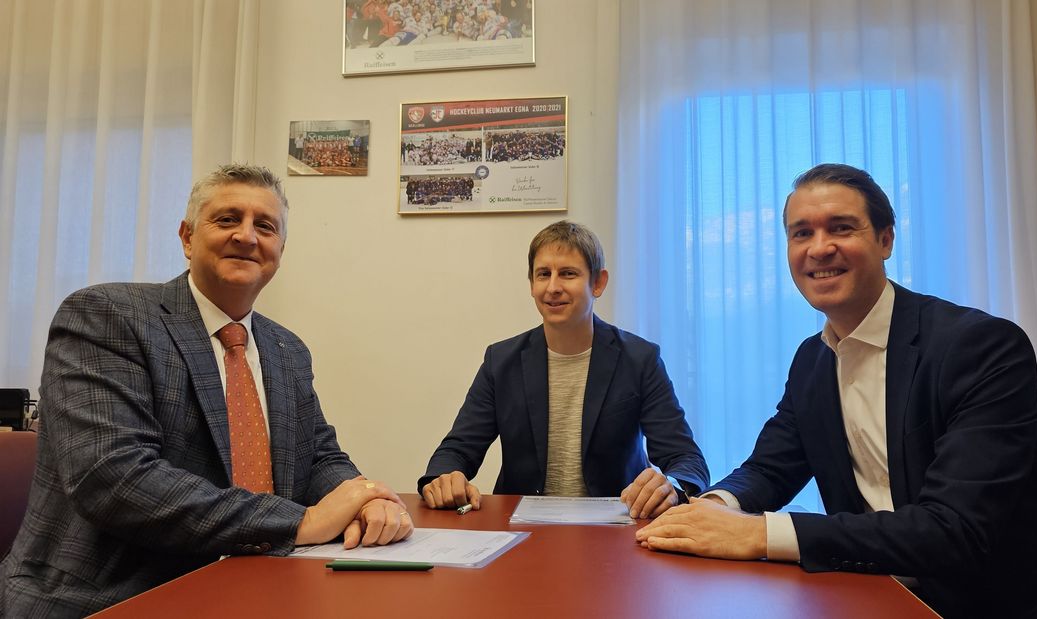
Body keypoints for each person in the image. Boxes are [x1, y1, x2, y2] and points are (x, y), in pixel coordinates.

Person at [636, 163, 1037, 618]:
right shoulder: (812, 360)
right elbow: (769, 469)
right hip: (885, 595)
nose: (820, 248)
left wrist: (757, 534)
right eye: (801, 233)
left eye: (841, 227)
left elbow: (953, 528)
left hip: (1018, 603)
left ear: (885, 240)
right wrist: (707, 510)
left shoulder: (980, 346)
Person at [0, 164, 413, 617]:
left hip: (259, 585)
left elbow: (319, 456)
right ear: (187, 237)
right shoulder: (107, 316)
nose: (247, 236)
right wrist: (305, 521)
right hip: (115, 597)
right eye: (227, 219)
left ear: (280, 249)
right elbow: (114, 477)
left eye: (265, 226)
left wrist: (364, 497)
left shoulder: (287, 349)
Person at [419, 221, 709, 520]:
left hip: (618, 526)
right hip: (522, 526)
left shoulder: (640, 358)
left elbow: (685, 457)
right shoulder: (501, 360)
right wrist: (443, 477)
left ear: (598, 283)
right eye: (543, 274)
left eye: (568, 274)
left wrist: (670, 486)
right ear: (531, 284)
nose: (553, 287)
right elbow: (459, 448)